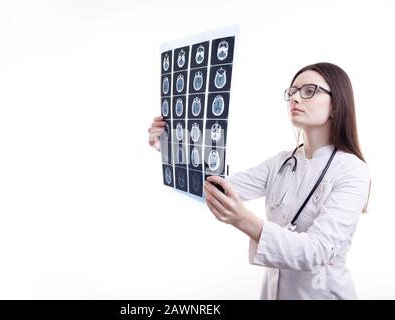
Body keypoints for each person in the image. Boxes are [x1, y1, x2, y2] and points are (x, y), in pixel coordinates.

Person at [147, 62, 371, 300]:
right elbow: (216, 187)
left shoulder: (352, 171)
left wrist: (243, 219)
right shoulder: (281, 163)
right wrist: (171, 147)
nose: (295, 97)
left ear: (336, 104)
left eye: (308, 91)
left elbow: (317, 251)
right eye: (292, 91)